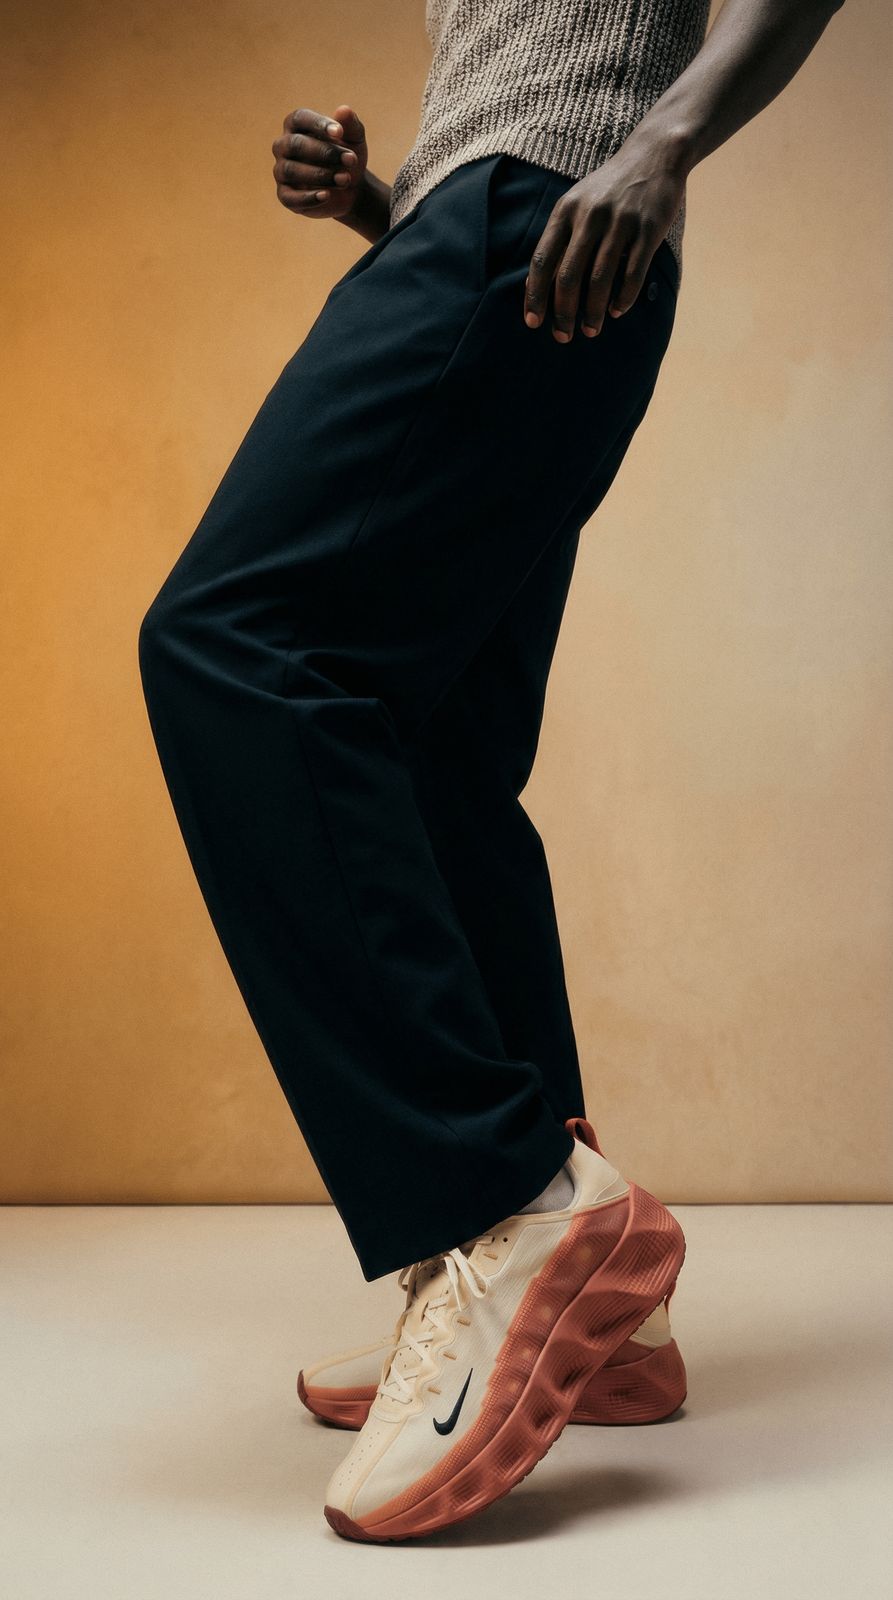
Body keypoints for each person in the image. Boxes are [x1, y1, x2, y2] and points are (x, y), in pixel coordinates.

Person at [138, 0, 847, 1543]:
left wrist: (662, 149)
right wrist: (385, 205)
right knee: (432, 754)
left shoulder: (592, 163)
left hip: (537, 220)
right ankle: (604, 1323)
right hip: (500, 233)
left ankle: (500, 1203)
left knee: (228, 647)